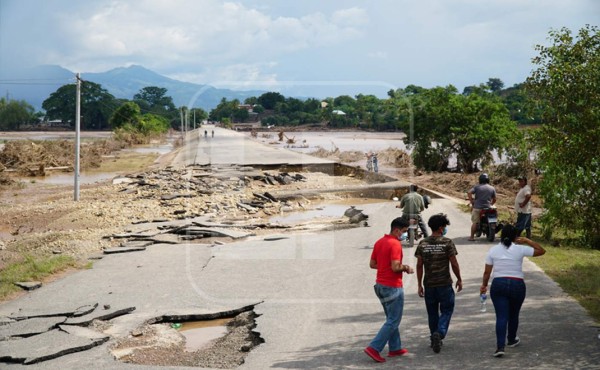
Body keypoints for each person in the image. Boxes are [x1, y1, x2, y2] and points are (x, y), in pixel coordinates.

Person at [480, 224, 545, 357]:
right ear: (516, 237)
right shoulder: (520, 249)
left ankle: (500, 347)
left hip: (499, 284)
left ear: (502, 235)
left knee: (501, 316)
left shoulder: (493, 250)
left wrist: (484, 285)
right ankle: (511, 339)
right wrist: (527, 240)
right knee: (514, 314)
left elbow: (487, 272)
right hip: (517, 284)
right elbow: (541, 250)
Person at [364, 217, 414, 363]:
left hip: (380, 286)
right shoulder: (395, 244)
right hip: (392, 287)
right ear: (397, 230)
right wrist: (406, 268)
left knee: (391, 318)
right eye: (404, 231)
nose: (405, 235)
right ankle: (374, 348)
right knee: (393, 320)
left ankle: (395, 347)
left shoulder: (380, 242)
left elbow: (373, 264)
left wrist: (386, 267)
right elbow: (395, 267)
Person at [415, 213, 462, 354]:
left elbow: (419, 265)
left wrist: (419, 285)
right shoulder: (447, 242)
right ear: (441, 228)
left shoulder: (423, 244)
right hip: (444, 284)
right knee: (447, 310)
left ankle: (433, 337)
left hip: (429, 285)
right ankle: (440, 333)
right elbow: (454, 263)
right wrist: (459, 278)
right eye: (445, 227)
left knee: (432, 313)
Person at [468, 173, 496, 241]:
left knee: (475, 222)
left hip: (478, 208)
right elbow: (494, 199)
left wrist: (472, 201)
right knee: (494, 214)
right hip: (488, 208)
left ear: (480, 180)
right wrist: (491, 203)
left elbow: (469, 192)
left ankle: (472, 237)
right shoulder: (492, 188)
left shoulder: (476, 187)